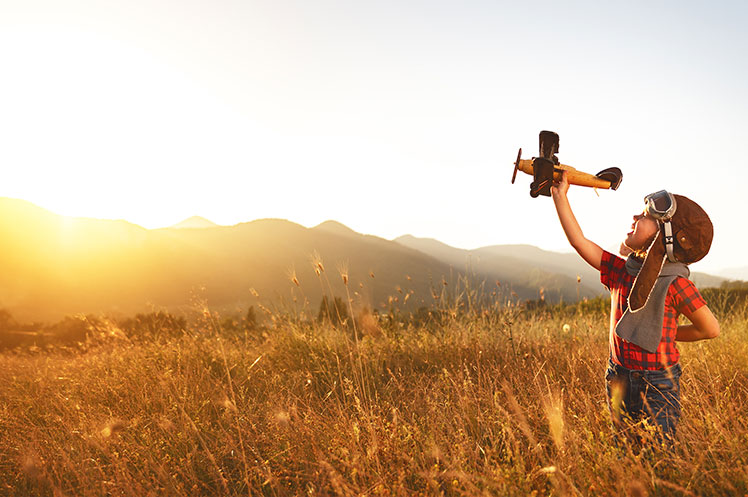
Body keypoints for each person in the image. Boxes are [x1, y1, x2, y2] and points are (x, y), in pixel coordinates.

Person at [551, 171, 720, 445]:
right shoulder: (622, 270)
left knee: (656, 454)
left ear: (666, 236)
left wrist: (672, 333)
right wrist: (560, 197)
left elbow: (710, 329)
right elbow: (579, 242)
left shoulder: (675, 284)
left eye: (644, 217)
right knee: (623, 450)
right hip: (617, 376)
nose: (635, 218)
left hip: (657, 385)